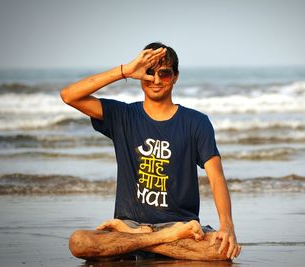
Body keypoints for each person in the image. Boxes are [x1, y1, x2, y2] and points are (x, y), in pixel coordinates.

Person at [60, 42, 241, 261]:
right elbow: (69, 95)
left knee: (222, 251)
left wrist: (227, 225)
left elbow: (216, 176)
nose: (155, 80)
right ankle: (152, 241)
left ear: (175, 77)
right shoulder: (124, 115)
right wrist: (125, 71)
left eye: (164, 74)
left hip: (178, 227)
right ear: (140, 75)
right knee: (79, 242)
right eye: (149, 73)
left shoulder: (197, 122)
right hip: (130, 226)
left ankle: (138, 244)